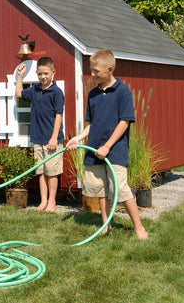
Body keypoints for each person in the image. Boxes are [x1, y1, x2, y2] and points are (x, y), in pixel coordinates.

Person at [67, 49, 148, 240]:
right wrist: (78, 138)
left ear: (109, 69)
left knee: (120, 188)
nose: (93, 75)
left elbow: (124, 122)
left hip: (115, 151)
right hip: (94, 149)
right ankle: (106, 223)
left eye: (96, 71)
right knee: (99, 189)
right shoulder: (93, 94)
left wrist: (108, 146)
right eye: (92, 70)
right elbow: (91, 125)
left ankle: (138, 227)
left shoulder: (122, 91)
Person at [15, 57, 64, 213]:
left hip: (52, 140)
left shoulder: (56, 92)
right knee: (41, 172)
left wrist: (54, 137)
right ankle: (43, 201)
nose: (43, 77)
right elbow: (18, 94)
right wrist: (20, 76)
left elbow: (59, 115)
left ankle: (52, 202)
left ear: (53, 72)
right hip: (37, 138)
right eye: (40, 74)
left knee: (52, 172)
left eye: (46, 74)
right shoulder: (35, 90)